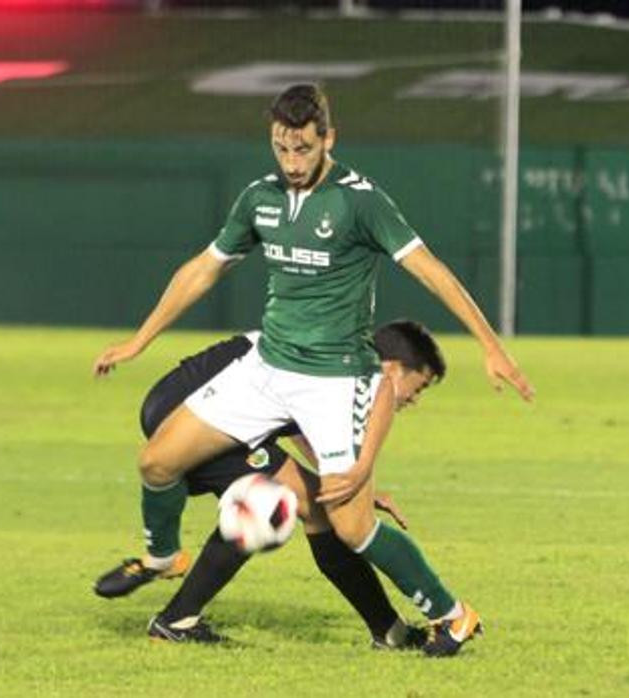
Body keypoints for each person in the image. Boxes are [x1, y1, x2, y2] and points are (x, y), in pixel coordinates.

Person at [93, 84, 533, 657]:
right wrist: (140, 339)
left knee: (351, 527)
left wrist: (491, 345)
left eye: (303, 149)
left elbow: (433, 271)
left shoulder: (360, 201)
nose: (293, 162)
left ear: (329, 138)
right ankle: (162, 559)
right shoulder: (259, 198)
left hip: (334, 380)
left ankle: (453, 614)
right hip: (265, 368)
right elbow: (204, 269)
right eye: (282, 149)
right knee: (156, 462)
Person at [96, 322, 443, 650]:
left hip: (189, 412)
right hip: (186, 418)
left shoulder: (322, 352)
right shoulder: (330, 364)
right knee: (265, 507)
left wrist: (347, 482)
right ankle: (176, 614)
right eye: (421, 385)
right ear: (394, 367)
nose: (415, 398)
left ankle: (388, 630)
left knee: (316, 509)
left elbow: (294, 424)